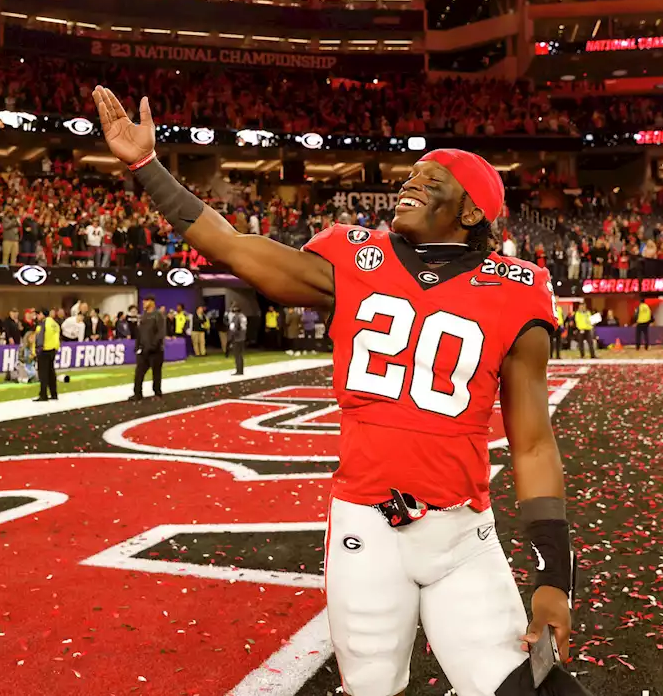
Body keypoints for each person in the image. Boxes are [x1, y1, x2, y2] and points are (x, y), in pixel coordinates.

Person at [94, 87, 581, 696]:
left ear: (473, 212)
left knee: (526, 689)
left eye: (433, 180)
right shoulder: (356, 259)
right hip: (366, 529)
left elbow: (532, 445)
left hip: (462, 534)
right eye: (413, 174)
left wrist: (553, 577)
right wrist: (148, 169)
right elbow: (233, 245)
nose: (412, 183)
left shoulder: (515, 289)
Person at [132, 296, 166, 400]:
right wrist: (137, 346)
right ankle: (137, 393)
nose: (143, 303)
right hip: (143, 349)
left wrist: (153, 345)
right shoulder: (143, 316)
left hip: (155, 350)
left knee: (156, 373)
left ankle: (157, 393)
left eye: (146, 301)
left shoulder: (158, 315)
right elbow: (139, 333)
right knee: (139, 373)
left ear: (152, 302)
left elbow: (161, 332)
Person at [34, 306, 61, 402]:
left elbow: (40, 337)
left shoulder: (43, 323)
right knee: (51, 373)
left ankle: (43, 395)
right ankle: (54, 394)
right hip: (53, 350)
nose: (37, 316)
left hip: (44, 350)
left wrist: (38, 350)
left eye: (38, 314)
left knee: (43, 374)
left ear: (42, 314)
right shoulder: (55, 323)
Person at [227, 303, 248, 375]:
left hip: (237, 338)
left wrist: (231, 337)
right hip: (242, 337)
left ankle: (239, 370)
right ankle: (241, 370)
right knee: (240, 355)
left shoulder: (236, 317)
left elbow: (234, 328)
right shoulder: (243, 316)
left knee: (237, 355)